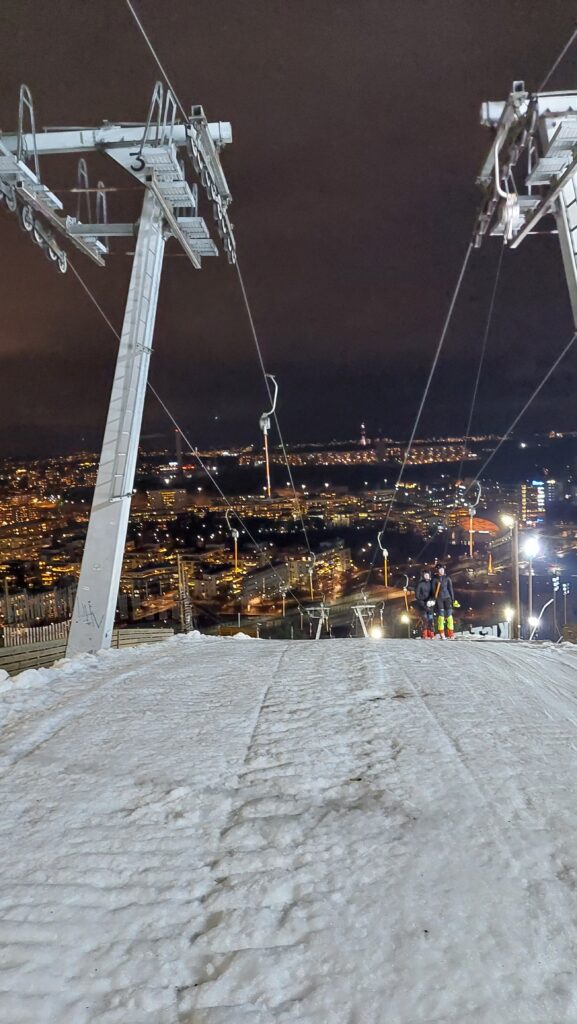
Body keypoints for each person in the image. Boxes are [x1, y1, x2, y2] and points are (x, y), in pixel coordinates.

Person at [432, 564, 456, 639]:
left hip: (447, 597)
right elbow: (433, 590)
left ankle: (450, 633)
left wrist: (452, 599)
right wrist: (433, 599)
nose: (441, 571)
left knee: (449, 616)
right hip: (439, 599)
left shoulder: (448, 578)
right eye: (440, 570)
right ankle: (441, 633)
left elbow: (450, 589)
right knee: (441, 617)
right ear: (437, 571)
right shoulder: (435, 579)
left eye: (442, 569)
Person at [415, 569, 435, 638]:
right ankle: (424, 634)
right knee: (425, 620)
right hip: (422, 605)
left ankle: (431, 633)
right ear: (423, 576)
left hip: (430, 605)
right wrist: (423, 604)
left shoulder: (431, 583)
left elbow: (433, 594)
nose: (426, 576)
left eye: (427, 575)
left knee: (431, 619)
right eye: (425, 575)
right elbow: (417, 596)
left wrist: (432, 601)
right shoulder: (420, 584)